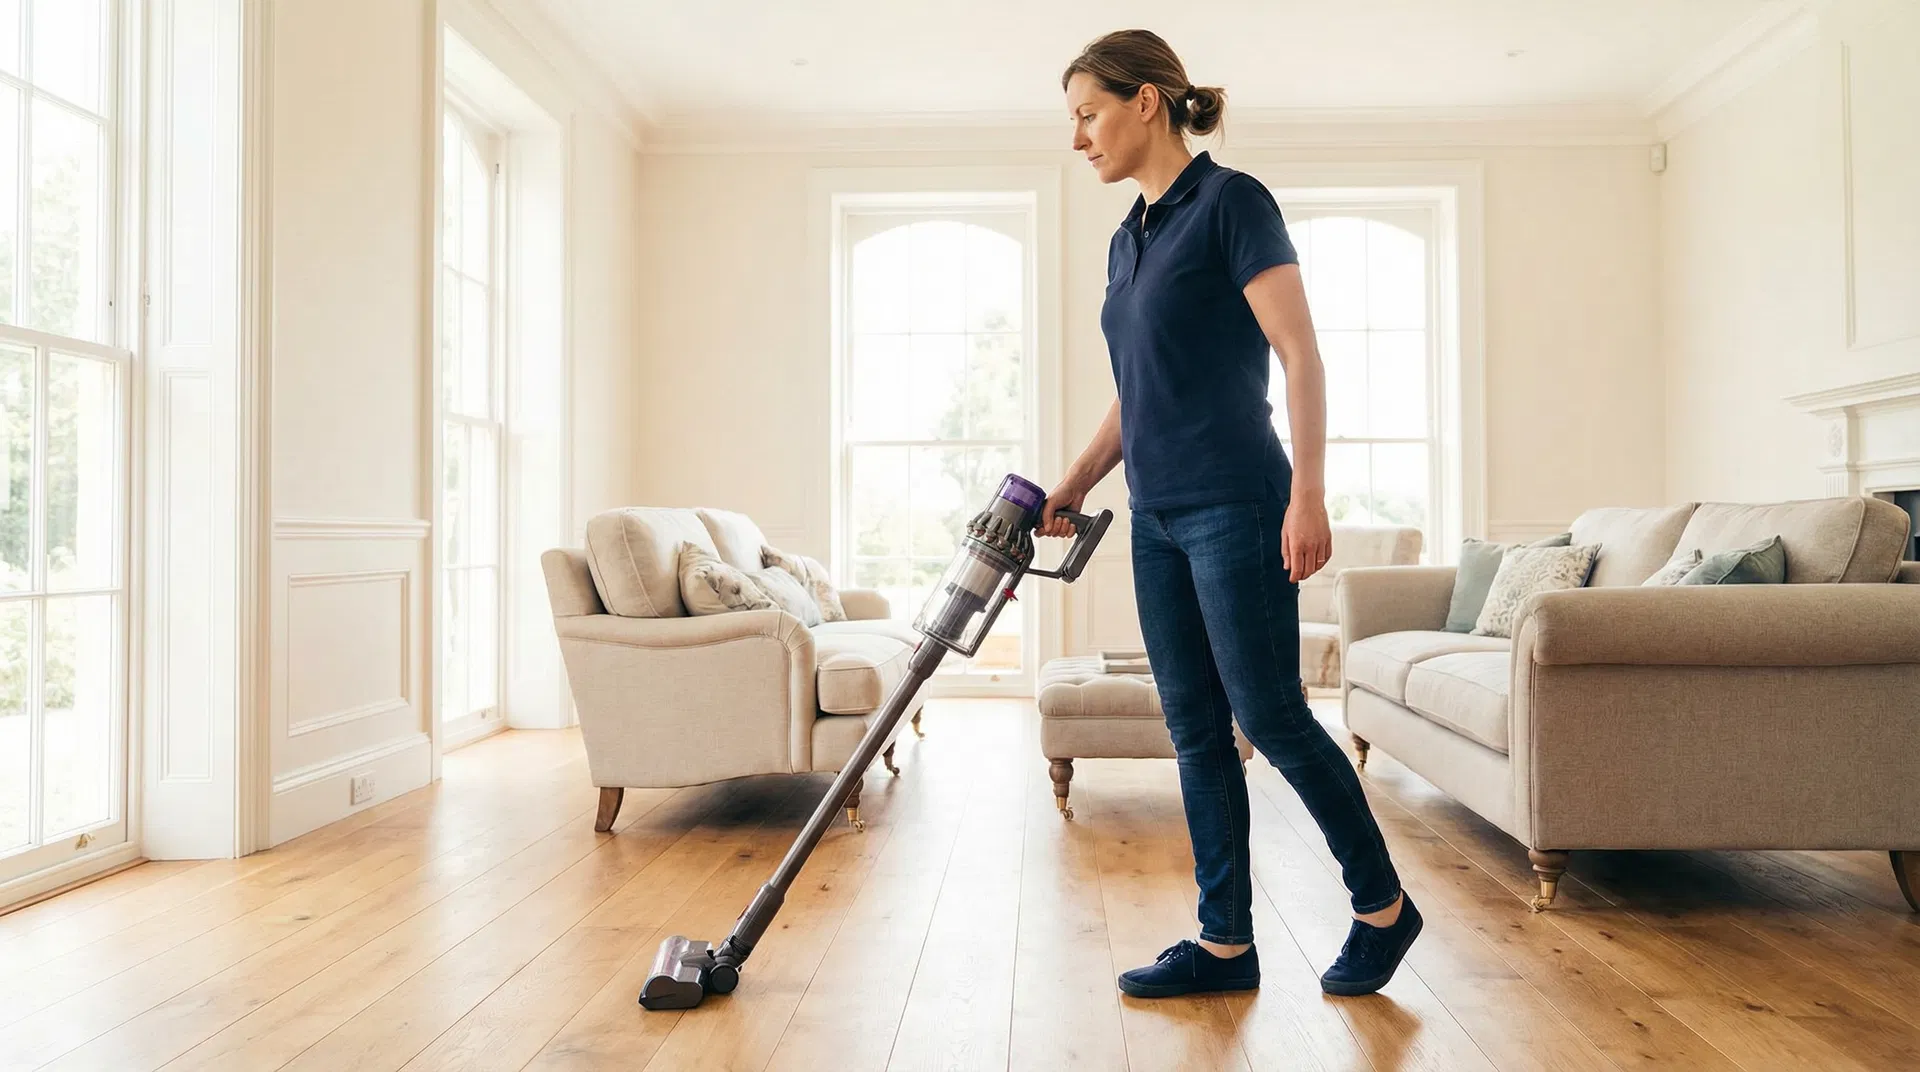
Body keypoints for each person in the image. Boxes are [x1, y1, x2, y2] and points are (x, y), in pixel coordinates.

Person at [1042, 29, 1423, 999]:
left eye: (1088, 113)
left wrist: (1308, 491)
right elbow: (1140, 390)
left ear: (1146, 102)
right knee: (1196, 729)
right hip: (1157, 516)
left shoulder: (1231, 203)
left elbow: (1299, 352)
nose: (1078, 137)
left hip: (1239, 503)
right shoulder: (1129, 238)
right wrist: (1076, 481)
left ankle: (1382, 906)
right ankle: (1224, 941)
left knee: (1271, 712)